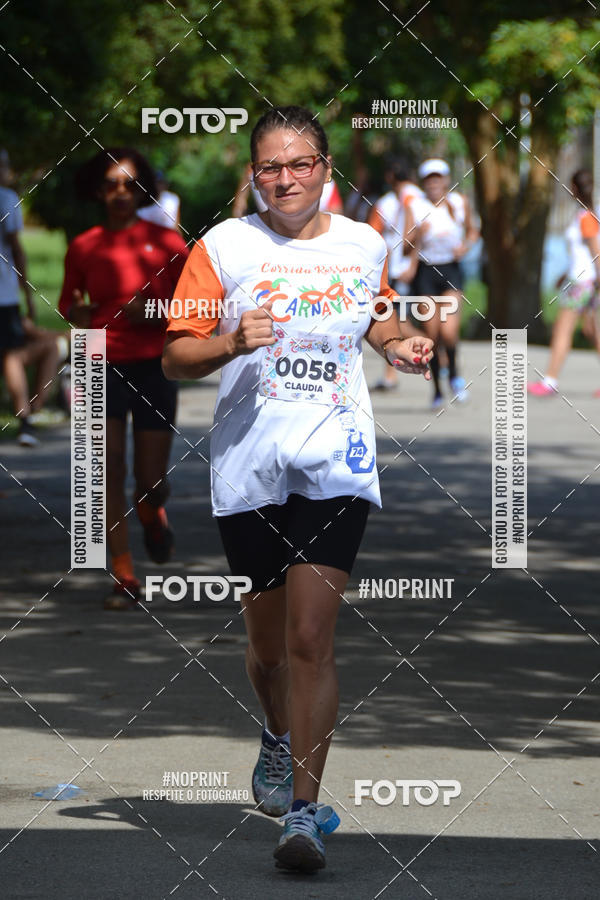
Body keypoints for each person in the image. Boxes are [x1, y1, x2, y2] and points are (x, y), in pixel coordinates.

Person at [162, 105, 433, 873]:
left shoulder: (362, 243)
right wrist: (224, 342)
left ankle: (304, 816)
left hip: (335, 462)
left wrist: (400, 340)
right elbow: (175, 356)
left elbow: (373, 317)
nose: (286, 178)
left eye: (301, 163)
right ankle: (276, 738)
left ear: (325, 169)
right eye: (271, 166)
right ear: (254, 173)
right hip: (249, 467)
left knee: (312, 639)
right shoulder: (224, 245)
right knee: (268, 649)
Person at [58, 148, 189, 608]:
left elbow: (196, 310)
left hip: (155, 363)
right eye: (112, 184)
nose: (120, 193)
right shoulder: (84, 245)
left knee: (149, 478)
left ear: (143, 190)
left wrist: (150, 311)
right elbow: (68, 305)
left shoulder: (168, 243)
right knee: (106, 467)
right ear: (99, 191)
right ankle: (124, 574)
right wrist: (76, 313)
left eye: (130, 185)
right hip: (98, 359)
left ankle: (153, 514)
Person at [404, 158, 479, 408]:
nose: (434, 183)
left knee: (449, 331)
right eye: (429, 179)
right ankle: (436, 390)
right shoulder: (415, 206)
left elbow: (472, 231)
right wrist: (418, 234)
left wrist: (465, 247)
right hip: (426, 272)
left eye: (438, 178)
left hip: (450, 270)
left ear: (446, 180)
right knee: (432, 335)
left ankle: (455, 376)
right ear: (424, 183)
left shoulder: (459, 202)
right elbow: (404, 247)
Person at [0, 150, 60, 446]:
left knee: (31, 346)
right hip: (4, 291)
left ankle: (31, 413)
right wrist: (28, 292)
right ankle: (25, 418)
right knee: (11, 353)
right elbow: (16, 248)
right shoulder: (6, 197)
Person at [528, 169, 600, 397]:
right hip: (581, 279)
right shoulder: (585, 214)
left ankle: (549, 381)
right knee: (592, 330)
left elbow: (596, 253)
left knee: (562, 329)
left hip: (582, 282)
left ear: (575, 188)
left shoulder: (586, 217)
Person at [368, 160, 423, 389]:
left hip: (405, 268)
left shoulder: (410, 197)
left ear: (391, 175)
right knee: (395, 317)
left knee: (396, 318)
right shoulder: (391, 201)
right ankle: (391, 372)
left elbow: (416, 231)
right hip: (398, 267)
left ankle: (434, 351)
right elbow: (374, 231)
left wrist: (411, 261)